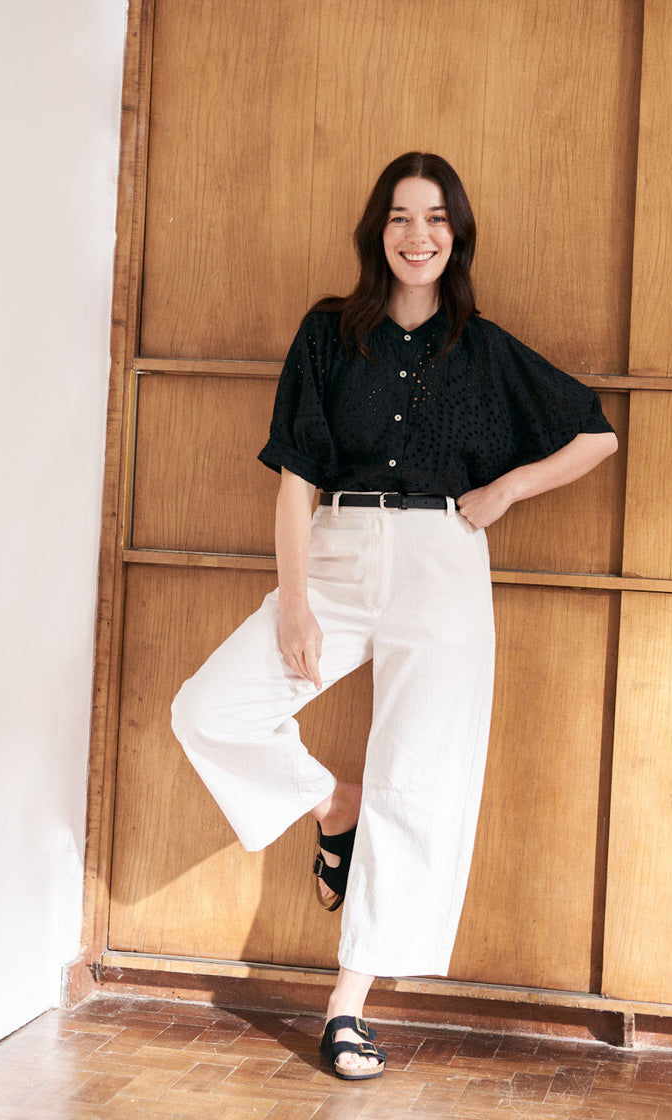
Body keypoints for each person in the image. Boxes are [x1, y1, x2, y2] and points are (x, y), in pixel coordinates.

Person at [171, 152, 618, 1081]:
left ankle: (349, 1004)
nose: (420, 235)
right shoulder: (331, 333)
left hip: (443, 565)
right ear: (379, 232)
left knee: (420, 782)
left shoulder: (483, 347)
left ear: (457, 235)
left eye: (437, 219)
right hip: (334, 553)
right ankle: (332, 804)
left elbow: (597, 433)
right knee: (209, 709)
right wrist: (295, 603)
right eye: (402, 218)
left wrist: (507, 490)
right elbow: (296, 480)